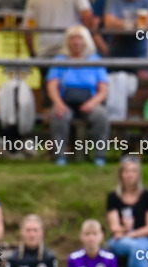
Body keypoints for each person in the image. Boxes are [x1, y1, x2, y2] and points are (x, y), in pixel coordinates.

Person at [46, 25, 110, 167]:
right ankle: (60, 157)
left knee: (101, 115)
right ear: (67, 41)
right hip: (65, 101)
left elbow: (103, 89)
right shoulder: (60, 60)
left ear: (86, 41)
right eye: (72, 38)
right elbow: (52, 85)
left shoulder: (95, 60)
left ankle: (100, 157)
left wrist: (93, 103)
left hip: (89, 102)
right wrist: (58, 103)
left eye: (79, 38)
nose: (76, 42)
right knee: (58, 116)